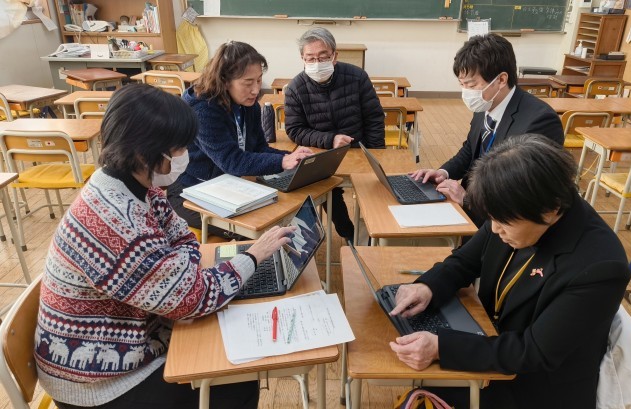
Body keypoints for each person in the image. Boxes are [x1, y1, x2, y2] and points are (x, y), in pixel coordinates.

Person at [34, 84, 297, 409]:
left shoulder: (132, 184)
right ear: (144, 153)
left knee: (221, 341)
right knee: (236, 382)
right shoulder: (117, 222)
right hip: (98, 382)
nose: (183, 155)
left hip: (123, 343)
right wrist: (252, 256)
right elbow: (193, 298)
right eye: (178, 148)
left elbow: (184, 240)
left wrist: (179, 275)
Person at [390, 135, 630, 409]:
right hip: (493, 346)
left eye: (503, 223)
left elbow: (534, 351)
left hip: (535, 387)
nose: (494, 229)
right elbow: (465, 261)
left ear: (550, 210)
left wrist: (440, 348)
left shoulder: (600, 266)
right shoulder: (515, 208)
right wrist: (427, 286)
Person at [411, 34, 564, 227]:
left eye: (472, 85)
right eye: (462, 85)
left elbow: (522, 194)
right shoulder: (485, 103)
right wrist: (443, 172)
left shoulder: (540, 121)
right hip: (470, 205)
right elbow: (470, 150)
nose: (467, 92)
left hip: (501, 222)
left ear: (501, 80)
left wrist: (468, 200)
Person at [167, 41, 312, 232]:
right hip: (192, 191)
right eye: (248, 83)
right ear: (225, 80)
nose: (256, 90)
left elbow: (259, 148)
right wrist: (283, 161)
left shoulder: (248, 104)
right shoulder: (202, 109)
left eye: (259, 80)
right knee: (263, 228)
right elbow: (231, 161)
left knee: (286, 209)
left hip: (229, 185)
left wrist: (292, 158)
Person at [284, 27, 385, 243]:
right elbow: (294, 129)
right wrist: (330, 139)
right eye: (310, 58)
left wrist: (376, 153)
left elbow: (374, 117)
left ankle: (376, 230)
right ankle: (348, 233)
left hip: (358, 149)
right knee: (326, 186)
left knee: (374, 187)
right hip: (323, 153)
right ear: (302, 59)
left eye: (323, 57)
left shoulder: (357, 77)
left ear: (334, 56)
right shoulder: (295, 88)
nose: (317, 63)